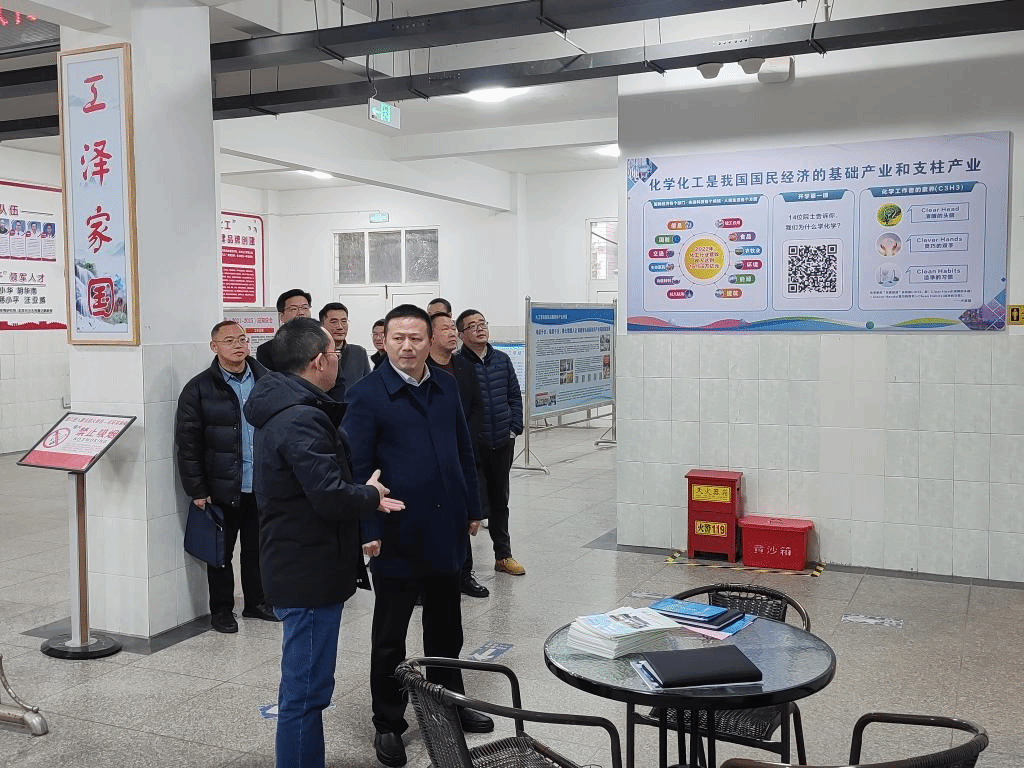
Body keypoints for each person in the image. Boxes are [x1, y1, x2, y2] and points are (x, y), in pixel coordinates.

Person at [243, 317, 403, 768]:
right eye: (334, 352)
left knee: (307, 688)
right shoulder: (300, 418)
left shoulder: (288, 406)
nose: (338, 359)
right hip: (307, 572)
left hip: (301, 561)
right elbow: (329, 495)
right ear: (318, 361)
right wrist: (369, 495)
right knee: (305, 694)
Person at [343, 304, 493, 768]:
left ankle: (449, 703)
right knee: (390, 634)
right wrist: (367, 528)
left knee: (446, 627)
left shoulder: (446, 385)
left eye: (416, 338)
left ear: (430, 341)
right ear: (384, 341)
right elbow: (357, 470)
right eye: (398, 338)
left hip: (445, 528)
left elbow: (463, 450)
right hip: (396, 533)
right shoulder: (367, 394)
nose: (407, 346)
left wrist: (474, 508)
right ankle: (388, 721)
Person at [174, 320, 277, 633]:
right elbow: (188, 444)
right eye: (229, 340)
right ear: (214, 346)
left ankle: (257, 603)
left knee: (257, 549)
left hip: (261, 484)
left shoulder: (267, 380)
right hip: (222, 486)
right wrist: (197, 489)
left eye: (242, 339)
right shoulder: (198, 389)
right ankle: (221, 610)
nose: (238, 345)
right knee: (220, 553)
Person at [456, 309, 526, 576]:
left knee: (499, 501)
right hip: (474, 446)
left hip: (502, 442)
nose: (479, 329)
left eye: (482, 323)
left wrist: (514, 428)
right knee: (470, 504)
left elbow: (514, 396)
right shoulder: (458, 365)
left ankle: (503, 556)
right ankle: (464, 566)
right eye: (472, 326)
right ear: (461, 334)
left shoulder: (502, 360)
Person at [427, 311, 488, 599]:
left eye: (453, 328)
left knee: (464, 515)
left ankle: (464, 574)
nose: (452, 333)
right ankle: (429, 578)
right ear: (430, 337)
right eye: (445, 329)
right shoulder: (423, 369)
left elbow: (476, 408)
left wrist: (464, 440)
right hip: (431, 455)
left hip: (462, 453)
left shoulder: (464, 366)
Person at [319, 301, 371, 401]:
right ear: (322, 325)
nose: (340, 327)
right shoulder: (315, 353)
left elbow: (369, 387)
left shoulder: (359, 353)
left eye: (344, 321)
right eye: (334, 322)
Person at [257, 288, 312, 371]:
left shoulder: (323, 343)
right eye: (293, 309)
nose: (301, 313)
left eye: (305, 308)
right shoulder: (266, 350)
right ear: (281, 316)